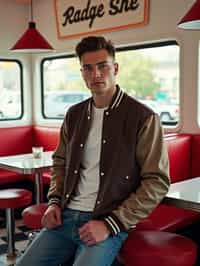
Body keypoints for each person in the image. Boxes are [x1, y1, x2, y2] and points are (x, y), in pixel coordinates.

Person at [16, 35, 170, 266]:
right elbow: (60, 163)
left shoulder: (143, 118)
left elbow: (157, 181)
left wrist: (111, 224)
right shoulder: (74, 114)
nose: (95, 74)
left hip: (107, 219)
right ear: (82, 73)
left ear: (115, 68)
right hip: (65, 217)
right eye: (87, 68)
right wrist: (54, 203)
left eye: (102, 66)